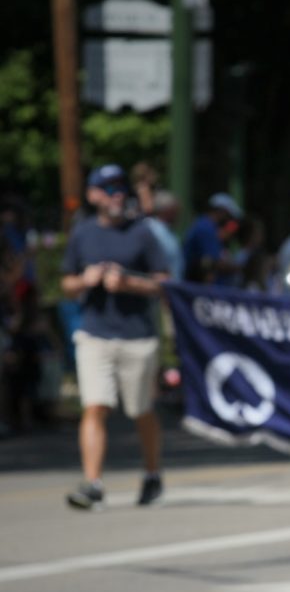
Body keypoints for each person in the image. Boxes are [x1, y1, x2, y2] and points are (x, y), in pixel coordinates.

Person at [59, 165, 169, 510]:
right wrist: (86, 280)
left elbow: (163, 282)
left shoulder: (142, 233)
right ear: (93, 195)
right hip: (95, 333)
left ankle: (152, 473)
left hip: (137, 335)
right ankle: (93, 483)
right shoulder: (83, 233)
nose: (116, 193)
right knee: (95, 406)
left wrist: (129, 283)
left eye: (120, 187)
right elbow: (66, 282)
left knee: (141, 410)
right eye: (107, 188)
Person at [183, 193, 242, 285]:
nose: (229, 220)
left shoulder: (206, 226)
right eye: (228, 215)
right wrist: (241, 268)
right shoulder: (206, 228)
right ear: (221, 212)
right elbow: (212, 263)